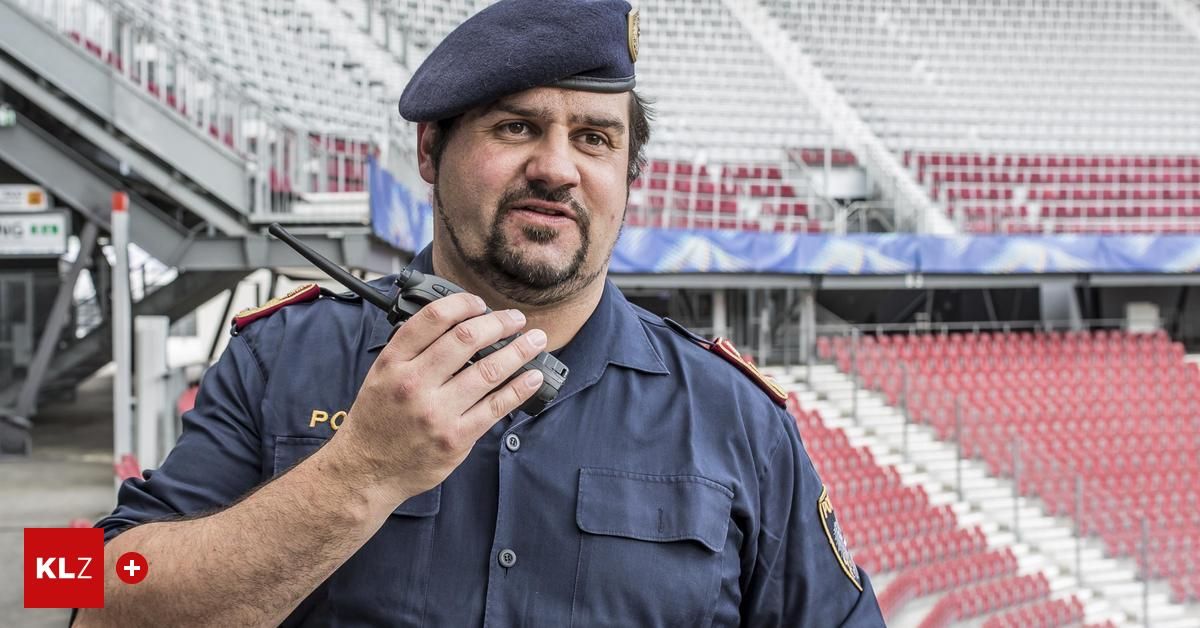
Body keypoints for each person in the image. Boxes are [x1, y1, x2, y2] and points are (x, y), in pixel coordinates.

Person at [77, 0, 885, 625]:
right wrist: (357, 475)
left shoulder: (738, 417)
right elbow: (68, 581)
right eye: (517, 127)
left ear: (628, 176)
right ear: (430, 152)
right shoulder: (278, 356)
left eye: (596, 139)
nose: (557, 168)